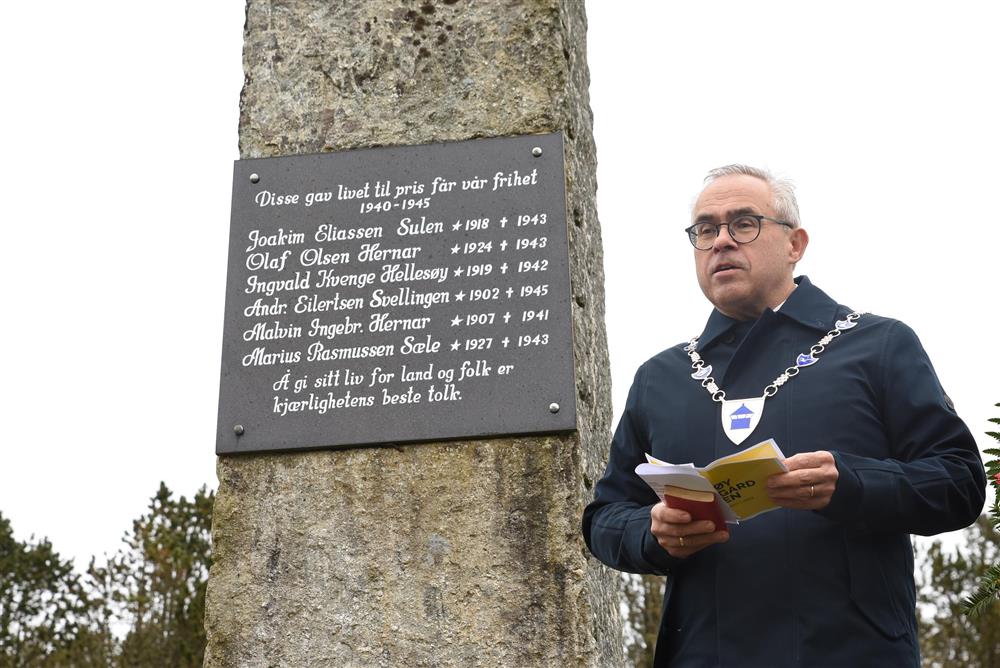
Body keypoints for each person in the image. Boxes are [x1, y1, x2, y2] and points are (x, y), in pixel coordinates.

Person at [582, 165, 986, 667]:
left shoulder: (879, 345)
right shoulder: (660, 377)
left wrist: (852, 482)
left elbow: (960, 481)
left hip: (849, 653)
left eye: (744, 223)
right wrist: (653, 532)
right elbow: (604, 518)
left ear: (794, 244)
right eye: (705, 229)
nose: (721, 242)